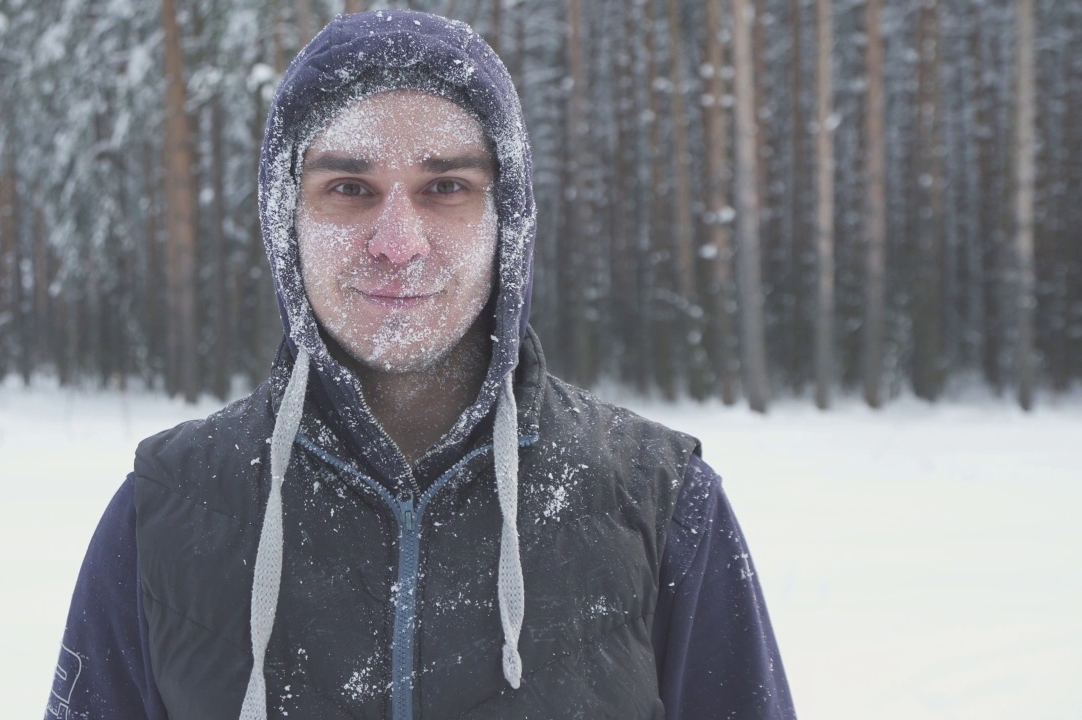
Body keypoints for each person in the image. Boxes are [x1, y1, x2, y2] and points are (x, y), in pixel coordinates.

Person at [47, 10, 795, 720]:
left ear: (509, 219)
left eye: (446, 188)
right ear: (287, 223)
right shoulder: (163, 511)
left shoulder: (662, 502)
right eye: (348, 188)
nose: (397, 242)